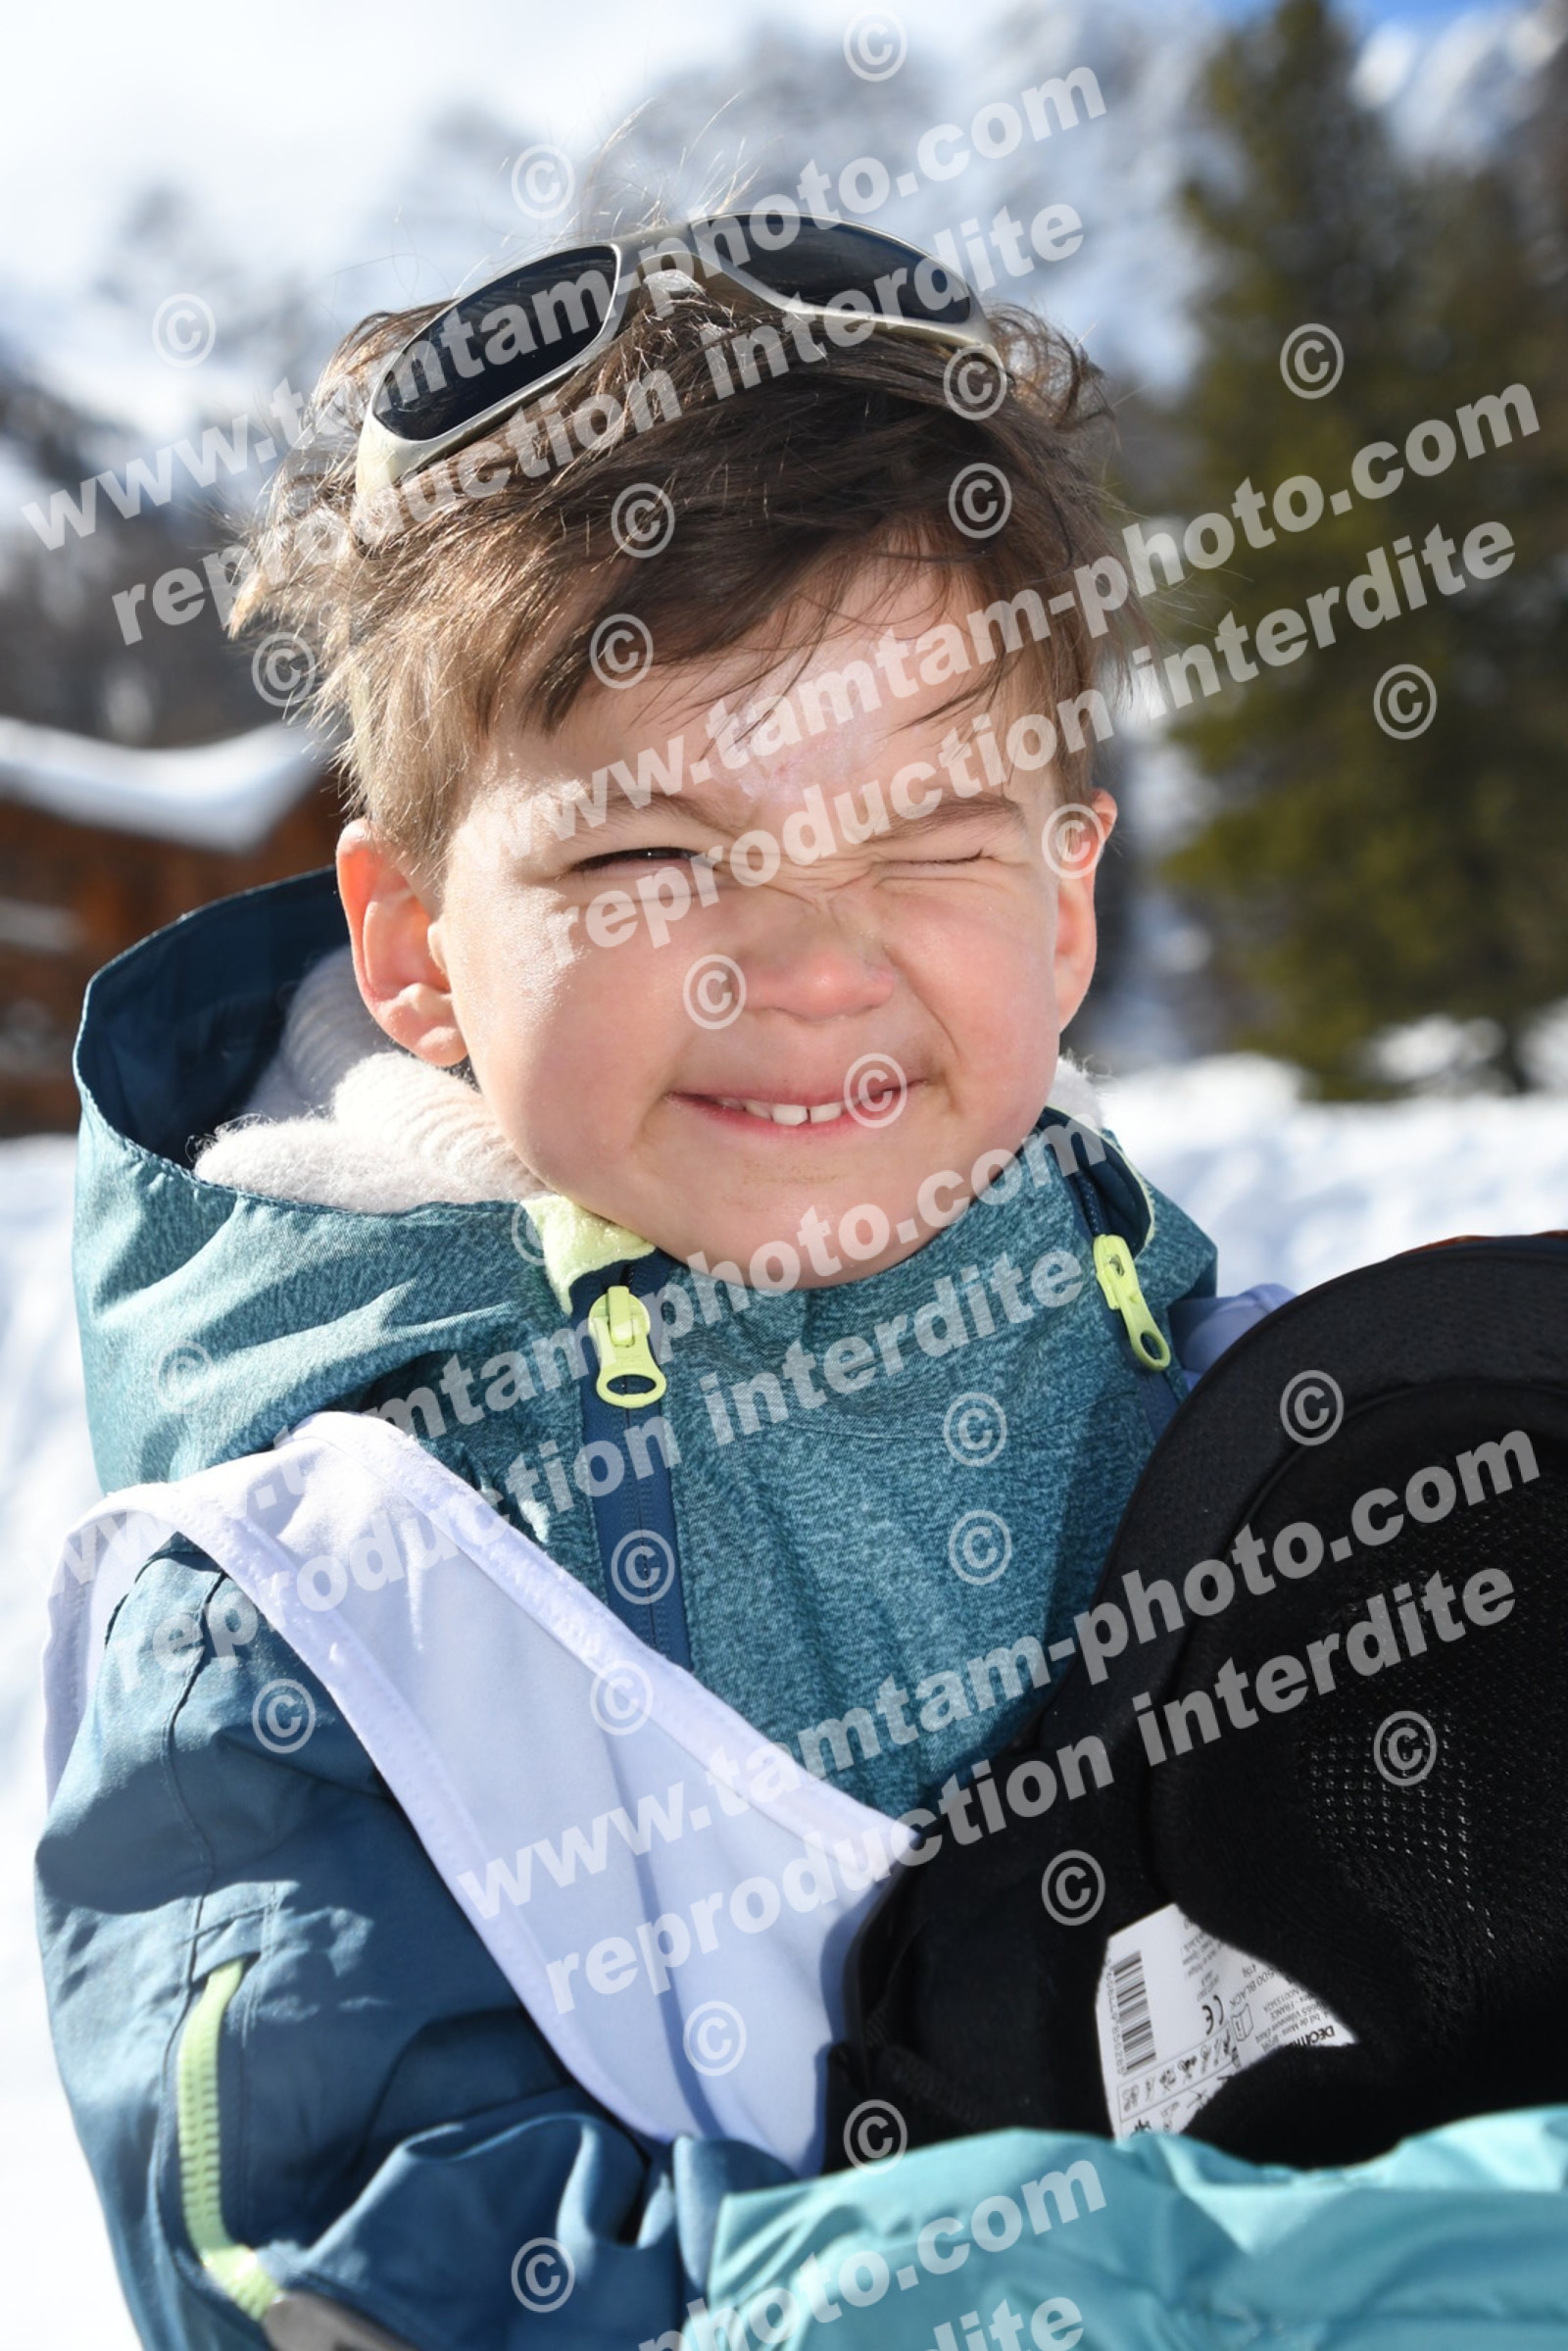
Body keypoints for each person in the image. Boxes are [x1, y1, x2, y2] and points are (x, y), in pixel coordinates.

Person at [35, 216, 1565, 2351]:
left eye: (928, 832)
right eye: (646, 856)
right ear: (414, 950)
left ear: (1061, 907)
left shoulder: (1296, 1439)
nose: (809, 964)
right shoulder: (312, 1622)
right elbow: (345, 2279)